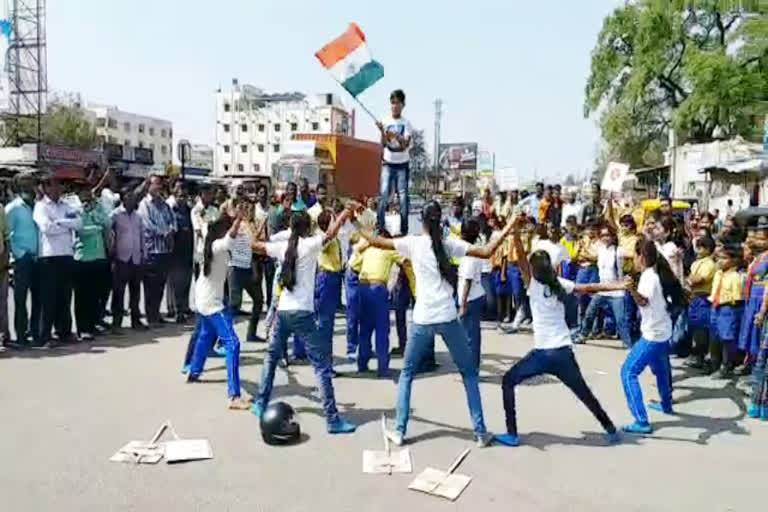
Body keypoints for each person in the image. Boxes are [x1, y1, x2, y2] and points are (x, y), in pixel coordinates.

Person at [356, 200, 515, 447]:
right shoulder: (448, 243)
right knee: (469, 374)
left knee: (407, 374)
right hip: (448, 317)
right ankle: (481, 432)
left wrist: (352, 221)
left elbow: (376, 241)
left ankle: (399, 431)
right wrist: (509, 227)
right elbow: (486, 252)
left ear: (422, 221)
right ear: (440, 220)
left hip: (423, 318)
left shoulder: (414, 243)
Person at [495, 218, 623, 447]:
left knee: (508, 382)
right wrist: (618, 285)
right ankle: (611, 429)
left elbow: (521, 257)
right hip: (564, 352)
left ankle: (512, 434)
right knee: (584, 393)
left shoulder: (532, 284)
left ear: (534, 270)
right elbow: (591, 288)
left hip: (543, 354)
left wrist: (514, 231)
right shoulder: (560, 283)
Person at [251, 208, 357, 434]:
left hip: (284, 311)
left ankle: (260, 402)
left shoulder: (283, 247)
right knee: (321, 367)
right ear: (307, 228)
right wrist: (344, 213)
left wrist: (246, 225)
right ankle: (332, 419)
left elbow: (256, 245)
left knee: (271, 357)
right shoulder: (309, 246)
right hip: (302, 313)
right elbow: (331, 233)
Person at [186, 207, 252, 410]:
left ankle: (194, 372)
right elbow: (230, 235)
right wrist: (239, 218)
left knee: (206, 336)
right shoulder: (217, 246)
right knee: (232, 343)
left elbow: (212, 225)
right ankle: (234, 396)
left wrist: (230, 214)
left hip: (203, 297)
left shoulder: (208, 241)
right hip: (211, 302)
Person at [621, 239, 685, 434]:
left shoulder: (648, 276)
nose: (633, 260)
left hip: (653, 335)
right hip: (662, 330)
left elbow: (643, 302)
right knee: (661, 371)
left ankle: (641, 421)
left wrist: (631, 288)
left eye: (635, 256)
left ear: (641, 257)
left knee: (628, 372)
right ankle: (666, 404)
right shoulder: (657, 273)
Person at [33, 175, 82, 346]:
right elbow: (46, 228)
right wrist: (66, 225)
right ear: (45, 188)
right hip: (49, 257)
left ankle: (65, 332)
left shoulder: (67, 205)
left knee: (65, 297)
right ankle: (45, 336)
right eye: (54, 186)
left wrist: (59, 223)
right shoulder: (41, 207)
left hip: (66, 255)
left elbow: (78, 223)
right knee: (48, 299)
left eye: (59, 186)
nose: (58, 189)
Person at [355, 227, 407, 377]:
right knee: (381, 329)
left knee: (365, 328)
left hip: (363, 287)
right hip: (378, 288)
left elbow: (355, 264)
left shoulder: (367, 249)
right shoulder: (388, 250)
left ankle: (362, 364)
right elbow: (405, 261)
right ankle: (383, 368)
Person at [575, 226, 632, 348]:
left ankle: (628, 344)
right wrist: (583, 245)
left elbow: (632, 254)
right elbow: (591, 256)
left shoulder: (619, 251)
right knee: (590, 313)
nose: (605, 238)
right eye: (603, 236)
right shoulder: (601, 250)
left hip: (617, 290)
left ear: (612, 236)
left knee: (620, 319)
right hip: (602, 289)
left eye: (607, 235)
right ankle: (583, 334)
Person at [5, 172, 40, 347]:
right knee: (20, 299)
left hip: (38, 258)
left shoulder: (38, 206)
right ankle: (21, 335)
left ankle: (35, 332)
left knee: (38, 299)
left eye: (30, 181)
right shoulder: (13, 208)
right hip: (22, 260)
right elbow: (7, 235)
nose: (29, 185)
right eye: (24, 182)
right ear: (18, 185)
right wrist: (20, 254)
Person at [137, 177, 177, 326]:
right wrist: (164, 233)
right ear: (149, 186)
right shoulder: (144, 204)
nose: (159, 188)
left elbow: (173, 221)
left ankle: (156, 313)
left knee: (160, 285)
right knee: (150, 286)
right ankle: (151, 316)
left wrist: (171, 231)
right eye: (156, 185)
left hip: (165, 250)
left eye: (160, 185)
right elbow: (147, 224)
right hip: (152, 251)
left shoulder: (165, 205)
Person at [73, 186, 110, 340]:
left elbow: (107, 223)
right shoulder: (74, 209)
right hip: (83, 257)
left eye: (89, 192)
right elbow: (79, 229)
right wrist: (96, 228)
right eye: (84, 191)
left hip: (98, 255)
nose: (87, 194)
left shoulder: (98, 207)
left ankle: (94, 323)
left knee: (96, 294)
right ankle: (83, 328)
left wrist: (95, 211)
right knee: (83, 296)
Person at [376, 89, 412, 236]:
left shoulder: (407, 123)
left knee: (403, 197)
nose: (394, 106)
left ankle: (404, 229)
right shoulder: (385, 121)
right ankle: (380, 225)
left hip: (402, 165)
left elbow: (405, 145)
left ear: (403, 105)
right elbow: (383, 144)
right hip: (388, 163)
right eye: (392, 103)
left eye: (397, 103)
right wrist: (382, 132)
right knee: (384, 193)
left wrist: (396, 136)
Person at [110, 191, 147, 333]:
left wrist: (144, 253)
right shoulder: (115, 215)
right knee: (119, 292)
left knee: (135, 291)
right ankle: (116, 323)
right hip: (121, 258)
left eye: (133, 198)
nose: (131, 201)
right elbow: (109, 234)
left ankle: (135, 320)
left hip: (136, 257)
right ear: (123, 199)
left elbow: (141, 236)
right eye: (128, 198)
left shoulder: (138, 217)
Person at [708, 245, 744, 378]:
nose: (720, 261)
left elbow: (737, 297)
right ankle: (714, 364)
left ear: (733, 261)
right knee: (715, 336)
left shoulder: (735, 276)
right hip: (715, 307)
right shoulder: (718, 274)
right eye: (719, 258)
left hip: (728, 308)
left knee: (727, 338)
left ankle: (726, 366)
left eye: (724, 258)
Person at [458, 218, 486, 369]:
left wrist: (462, 305)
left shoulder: (470, 254)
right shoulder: (473, 249)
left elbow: (467, 281)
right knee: (472, 336)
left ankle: (471, 368)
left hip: (470, 299)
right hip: (475, 296)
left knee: (470, 337)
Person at [684, 236, 716, 369]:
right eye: (698, 246)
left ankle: (702, 356)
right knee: (695, 328)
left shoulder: (709, 264)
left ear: (709, 249)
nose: (699, 249)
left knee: (702, 328)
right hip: (694, 298)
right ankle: (697, 355)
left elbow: (699, 279)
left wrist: (689, 281)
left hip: (704, 298)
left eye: (702, 247)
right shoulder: (696, 263)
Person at [168, 182, 194, 323]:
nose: (182, 199)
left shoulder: (191, 211)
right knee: (177, 283)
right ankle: (178, 311)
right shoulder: (171, 211)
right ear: (175, 196)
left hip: (189, 252)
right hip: (176, 253)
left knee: (187, 283)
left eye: (184, 196)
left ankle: (185, 307)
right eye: (179, 196)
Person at [191, 184, 220, 279]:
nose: (209, 195)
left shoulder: (215, 209)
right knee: (200, 279)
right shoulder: (196, 210)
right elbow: (198, 231)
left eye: (210, 193)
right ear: (201, 194)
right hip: (201, 249)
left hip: (214, 249)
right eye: (206, 193)